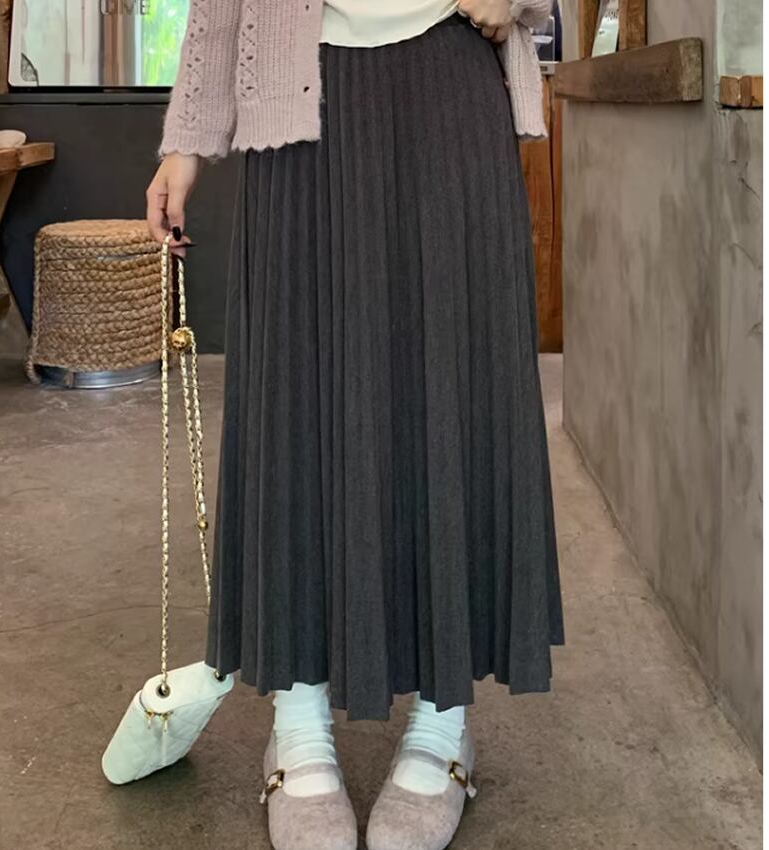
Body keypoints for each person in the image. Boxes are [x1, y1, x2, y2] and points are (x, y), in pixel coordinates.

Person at [146, 1, 564, 848]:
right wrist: (184, 140)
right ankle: (298, 725)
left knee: (454, 388)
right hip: (295, 92)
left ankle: (442, 725)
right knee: (293, 397)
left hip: (449, 72)